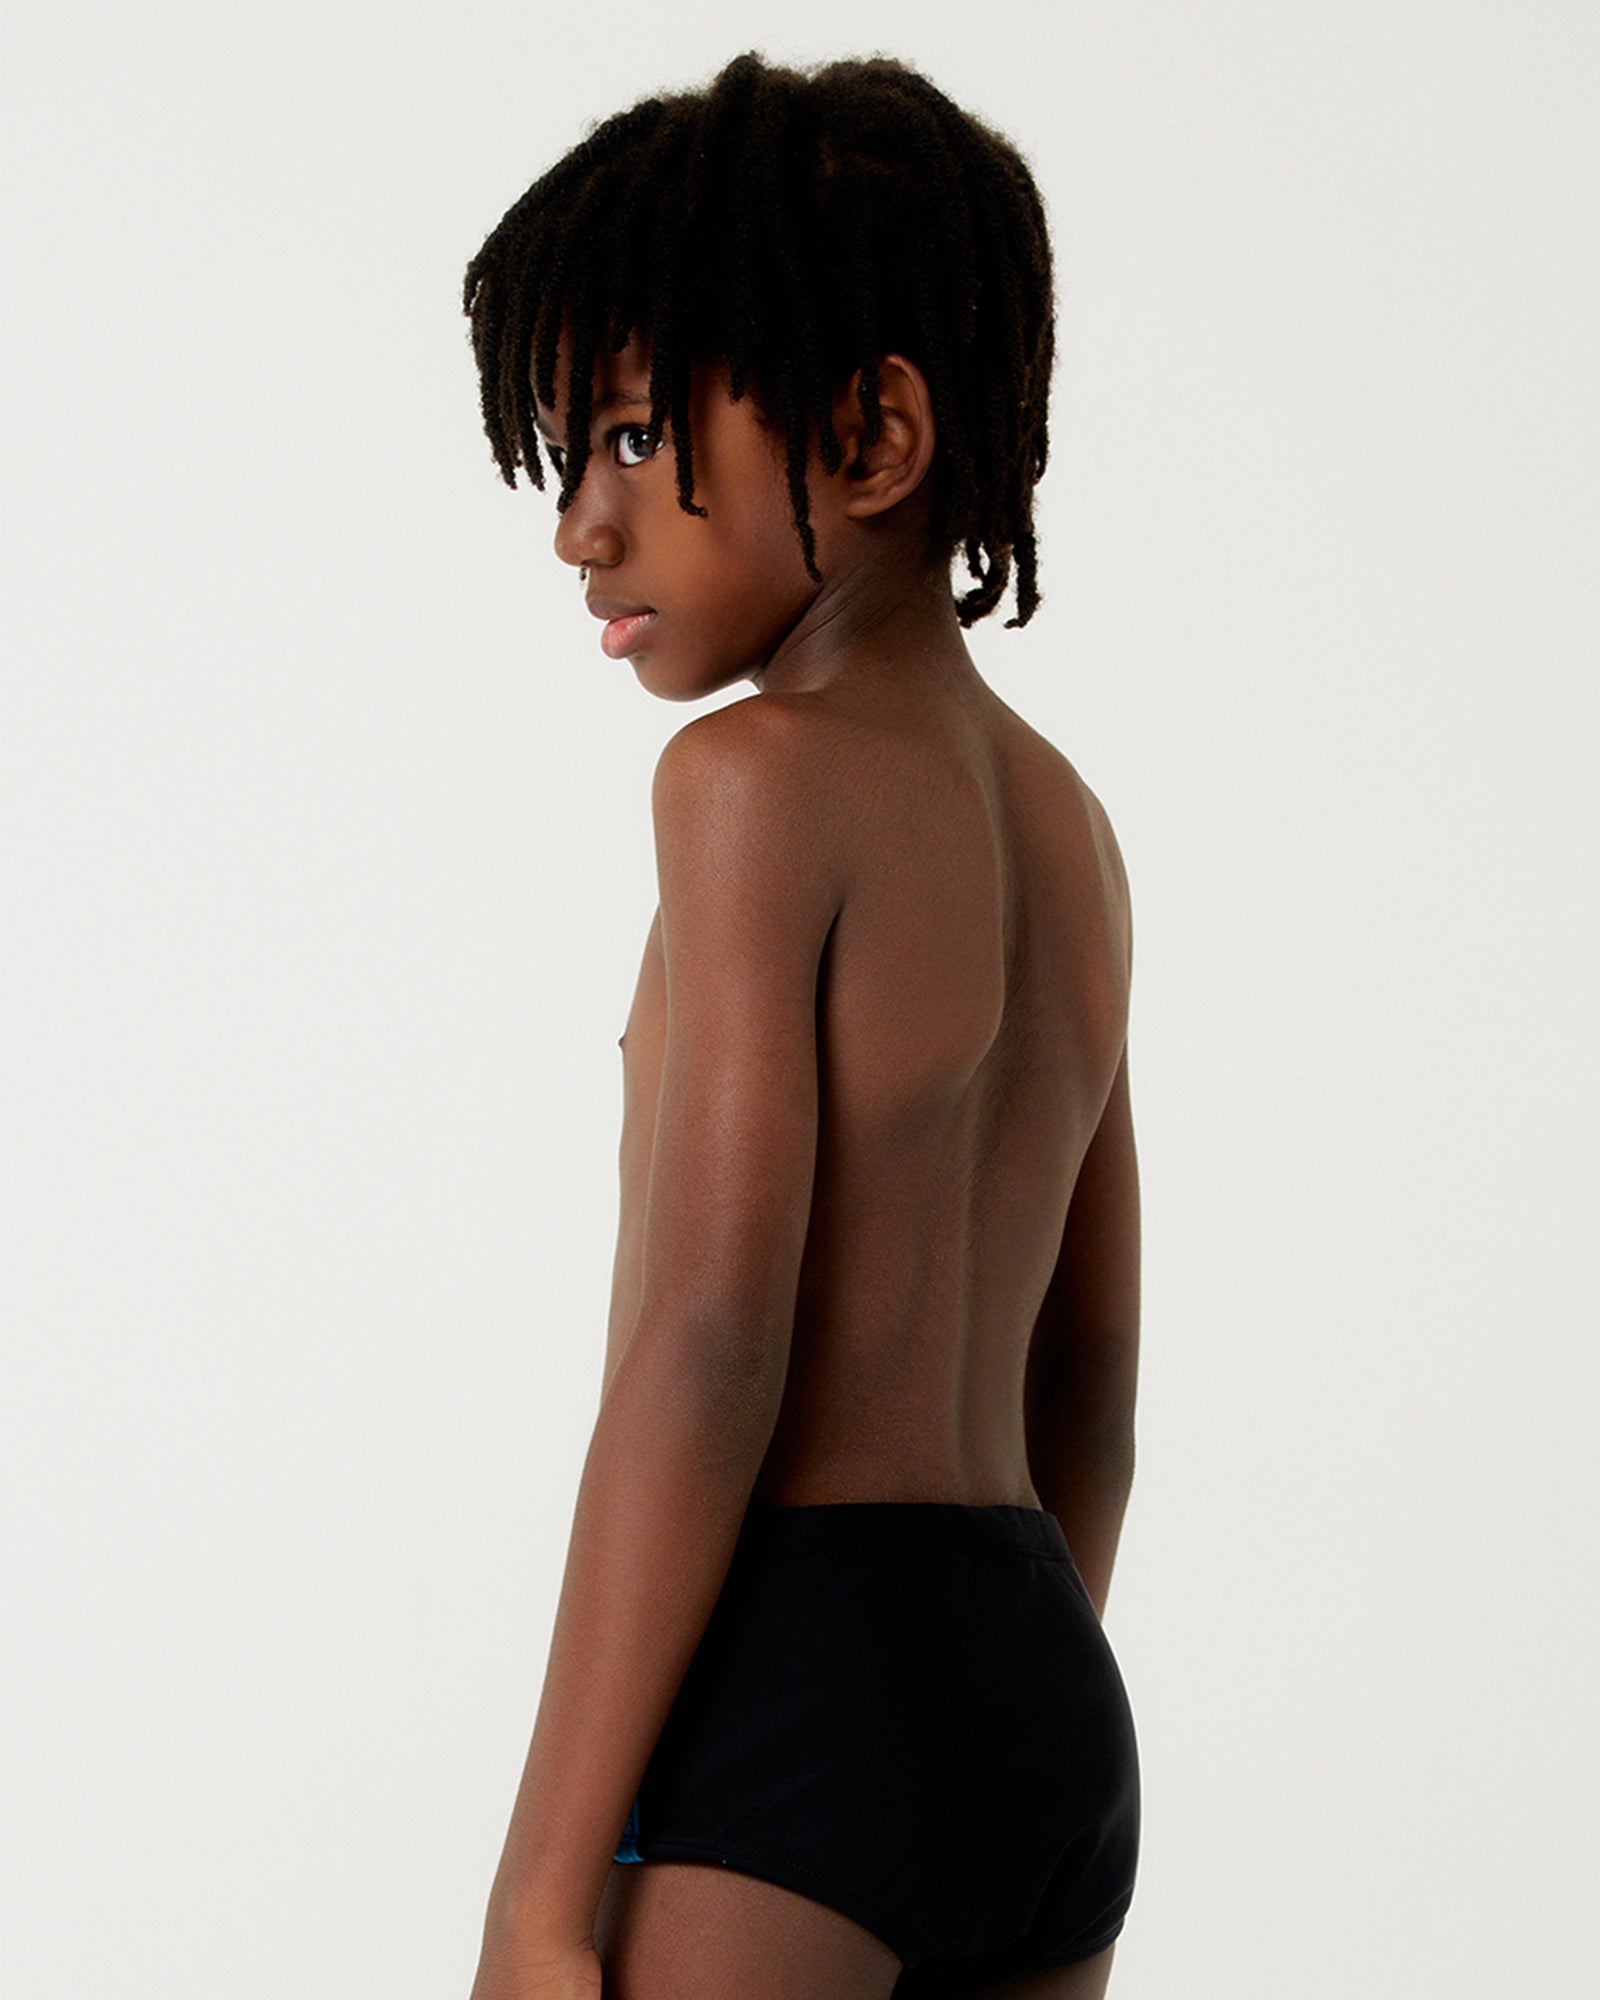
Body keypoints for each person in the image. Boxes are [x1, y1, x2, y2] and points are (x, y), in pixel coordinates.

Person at [461, 51, 1140, 2000]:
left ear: (869, 433)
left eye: (627, 434)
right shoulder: (1066, 824)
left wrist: (538, 1897)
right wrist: (984, 1705)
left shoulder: (749, 782)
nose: (579, 525)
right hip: (1041, 1691)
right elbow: (1092, 1371)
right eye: (567, 452)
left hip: (803, 1685)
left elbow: (709, 1344)